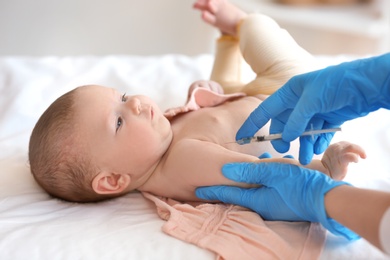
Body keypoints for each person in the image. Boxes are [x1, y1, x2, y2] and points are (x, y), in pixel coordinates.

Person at [29, 0, 363, 238]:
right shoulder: (184, 163)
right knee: (281, 52)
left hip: (248, 98)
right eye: (118, 121)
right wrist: (323, 169)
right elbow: (264, 176)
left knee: (219, 83)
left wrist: (202, 94)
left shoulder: (154, 146)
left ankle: (228, 43)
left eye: (124, 97)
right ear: (113, 180)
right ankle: (240, 25)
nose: (137, 105)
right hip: (291, 102)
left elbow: (211, 112)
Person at [195, 53, 390, 254]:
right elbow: (274, 177)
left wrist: (201, 89)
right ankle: (326, 169)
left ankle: (236, 26)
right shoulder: (166, 165)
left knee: (257, 31)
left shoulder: (167, 120)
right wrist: (372, 80)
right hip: (281, 103)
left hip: (274, 96)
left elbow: (213, 87)